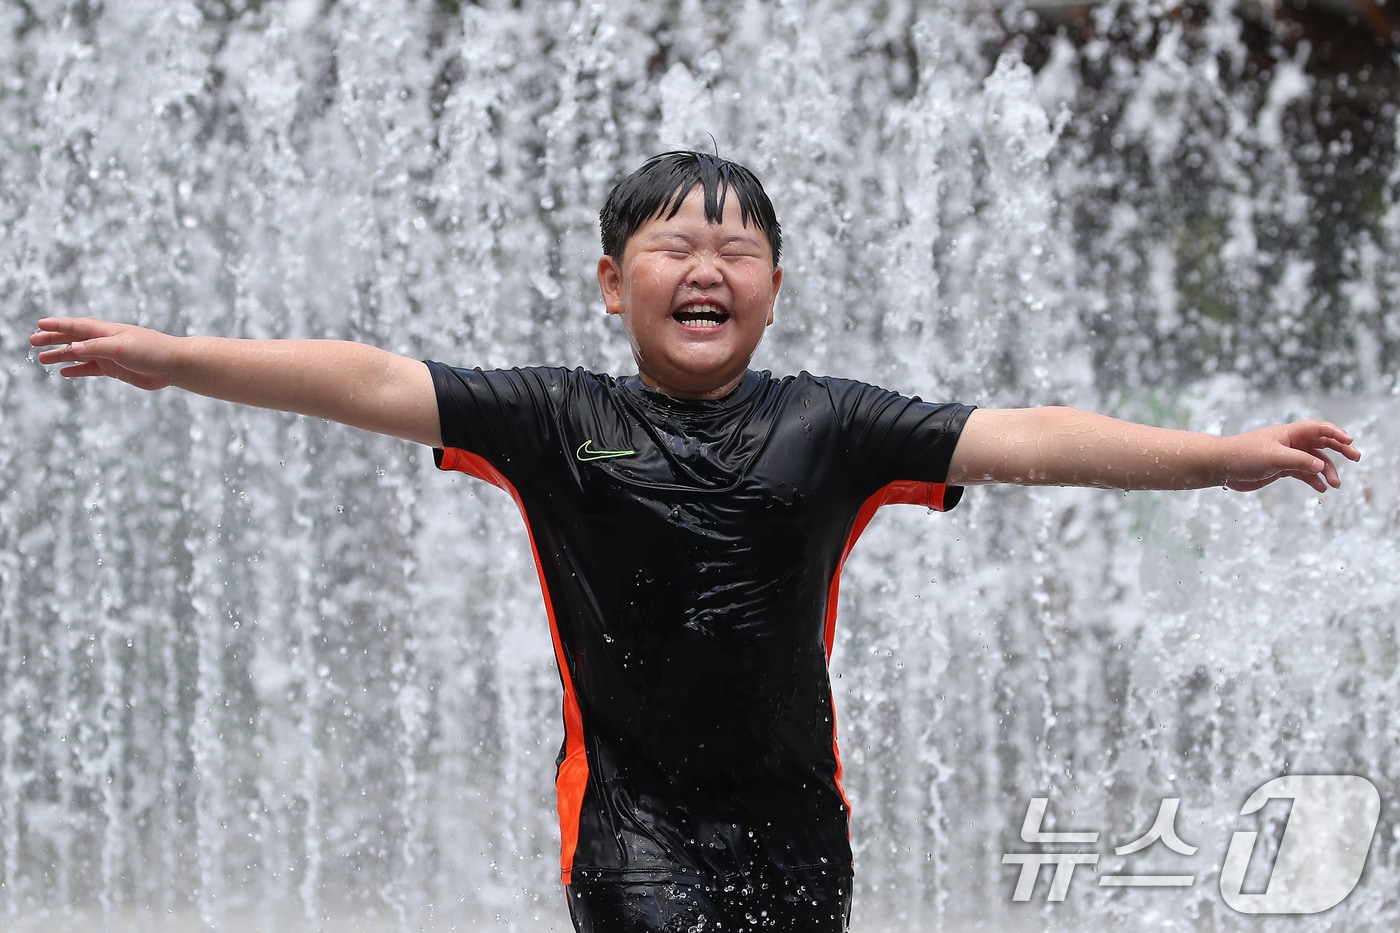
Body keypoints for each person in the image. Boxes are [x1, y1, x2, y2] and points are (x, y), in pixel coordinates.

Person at [30, 151, 1359, 932]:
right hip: (629, 822)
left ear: (774, 288)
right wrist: (178, 358)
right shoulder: (555, 418)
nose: (707, 266)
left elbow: (1029, 435)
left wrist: (1220, 456)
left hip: (798, 827)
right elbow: (368, 376)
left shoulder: (834, 426)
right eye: (674, 246)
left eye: (737, 247)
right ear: (617, 286)